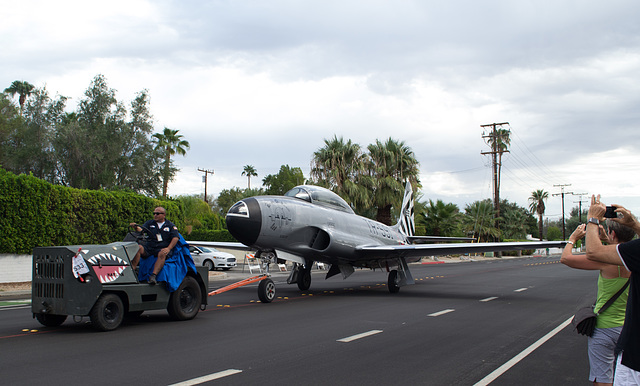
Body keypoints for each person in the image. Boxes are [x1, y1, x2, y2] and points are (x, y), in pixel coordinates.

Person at [561, 221, 634, 386]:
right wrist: (608, 240)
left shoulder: (605, 261)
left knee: (602, 378)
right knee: (629, 376)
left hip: (605, 329)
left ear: (613, 234)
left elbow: (565, 258)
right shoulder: (634, 259)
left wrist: (573, 238)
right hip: (629, 328)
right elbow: (619, 252)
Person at [585, 195, 640, 384]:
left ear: (613, 234)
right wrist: (634, 225)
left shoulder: (635, 252)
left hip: (635, 358)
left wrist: (592, 219)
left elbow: (592, 252)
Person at [130, 207, 180, 285]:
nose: (155, 215)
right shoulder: (150, 223)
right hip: (150, 247)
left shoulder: (170, 226)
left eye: (157, 213)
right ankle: (132, 270)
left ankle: (153, 275)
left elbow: (175, 238)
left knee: (162, 253)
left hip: (161, 248)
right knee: (138, 247)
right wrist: (136, 227)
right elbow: (142, 230)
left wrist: (168, 248)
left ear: (164, 215)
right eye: (154, 213)